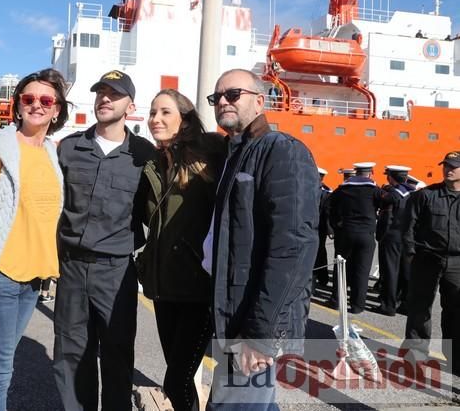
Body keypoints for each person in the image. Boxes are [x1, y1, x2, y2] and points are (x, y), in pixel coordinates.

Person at [205, 69, 319, 409]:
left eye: (233, 94)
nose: (223, 101)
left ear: (260, 100)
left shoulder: (282, 152)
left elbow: (293, 249)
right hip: (236, 313)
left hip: (253, 321)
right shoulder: (236, 153)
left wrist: (261, 334)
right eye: (217, 97)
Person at [0, 68, 69, 411]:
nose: (36, 105)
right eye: (29, 99)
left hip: (33, 280)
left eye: (45, 100)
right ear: (18, 106)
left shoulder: (51, 153)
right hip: (2, 277)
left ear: (56, 110)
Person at [54, 70, 155, 411]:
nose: (105, 99)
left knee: (116, 355)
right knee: (71, 354)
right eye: (101, 92)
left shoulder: (144, 156)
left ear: (131, 105)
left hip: (116, 272)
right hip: (72, 268)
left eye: (115, 94)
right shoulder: (69, 149)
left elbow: (158, 214)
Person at [136, 89, 225, 411]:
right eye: (152, 112)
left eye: (165, 112)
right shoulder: (155, 162)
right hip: (163, 287)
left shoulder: (212, 151)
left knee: (176, 379)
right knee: (181, 379)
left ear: (185, 120)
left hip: (197, 288)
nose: (155, 119)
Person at [402, 151, 460, 375]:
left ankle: (456, 358)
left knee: (456, 310)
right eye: (446, 165)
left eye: (453, 166)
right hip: (427, 258)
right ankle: (415, 357)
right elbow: (408, 225)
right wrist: (410, 253)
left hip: (457, 262)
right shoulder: (426, 196)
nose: (448, 169)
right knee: (419, 308)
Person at [328, 162, 383, 313]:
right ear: (370, 173)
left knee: (341, 268)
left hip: (346, 233)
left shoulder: (343, 189)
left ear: (356, 173)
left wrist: (336, 223)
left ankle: (336, 301)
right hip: (366, 235)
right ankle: (358, 305)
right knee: (362, 271)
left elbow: (328, 205)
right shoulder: (374, 190)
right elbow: (389, 202)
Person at [375, 165, 415, 316]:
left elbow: (385, 210)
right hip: (409, 236)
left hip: (392, 236)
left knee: (390, 271)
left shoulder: (392, 194)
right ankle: (406, 303)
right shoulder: (414, 193)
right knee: (406, 271)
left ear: (390, 177)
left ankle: (388, 306)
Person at [314, 167, 333, 288]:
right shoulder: (327, 192)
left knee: (317, 251)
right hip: (321, 227)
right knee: (321, 251)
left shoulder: (309, 189)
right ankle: (323, 277)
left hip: (313, 226)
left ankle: (318, 277)